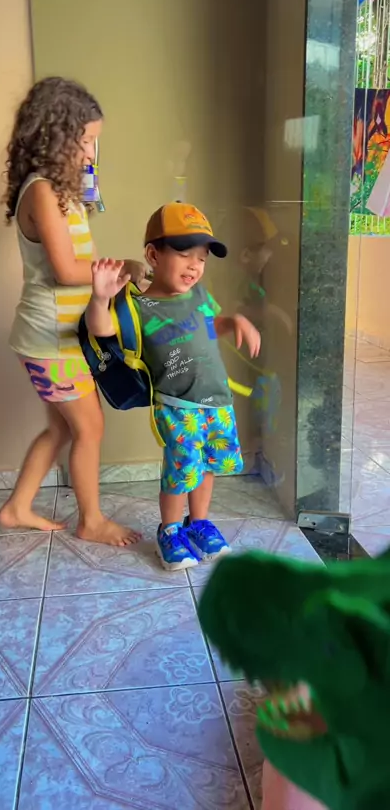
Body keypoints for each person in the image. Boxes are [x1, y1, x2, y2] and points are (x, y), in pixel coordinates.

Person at [0, 77, 144, 545]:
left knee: (61, 430)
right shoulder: (41, 191)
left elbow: (79, 254)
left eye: (95, 141)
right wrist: (126, 267)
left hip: (61, 337)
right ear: (55, 137)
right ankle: (91, 521)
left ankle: (16, 508)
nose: (91, 152)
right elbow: (65, 270)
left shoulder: (60, 191)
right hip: (50, 341)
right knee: (90, 428)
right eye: (85, 141)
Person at [85, 202, 261, 569]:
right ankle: (169, 530)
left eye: (202, 259)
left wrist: (236, 321)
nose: (195, 266)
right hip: (178, 405)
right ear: (154, 255)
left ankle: (199, 523)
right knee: (181, 473)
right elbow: (101, 330)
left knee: (208, 466)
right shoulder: (139, 305)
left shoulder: (198, 295)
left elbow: (213, 323)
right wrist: (100, 297)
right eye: (184, 255)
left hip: (218, 401)